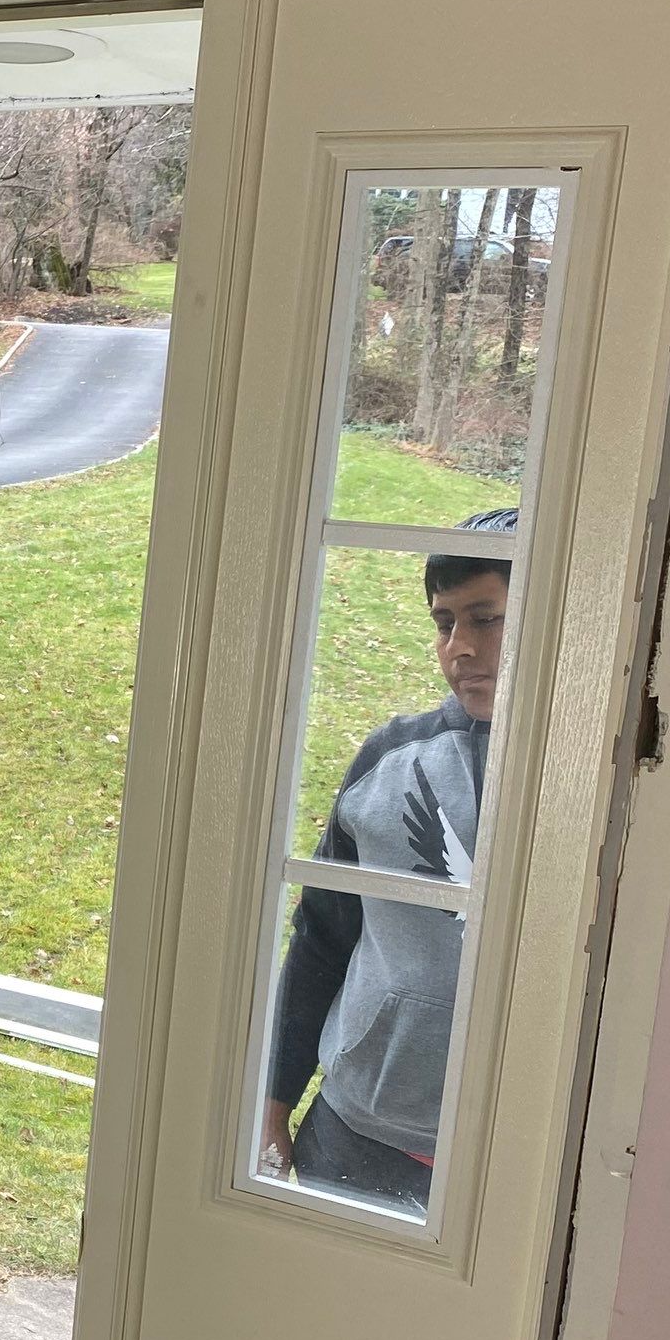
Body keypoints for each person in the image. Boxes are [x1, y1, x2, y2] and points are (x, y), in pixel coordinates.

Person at [260, 507, 516, 1209]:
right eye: (444, 622)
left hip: (511, 1162)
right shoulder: (390, 760)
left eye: (486, 618)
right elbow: (321, 938)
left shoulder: (601, 786)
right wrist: (274, 1098)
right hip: (352, 1142)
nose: (460, 646)